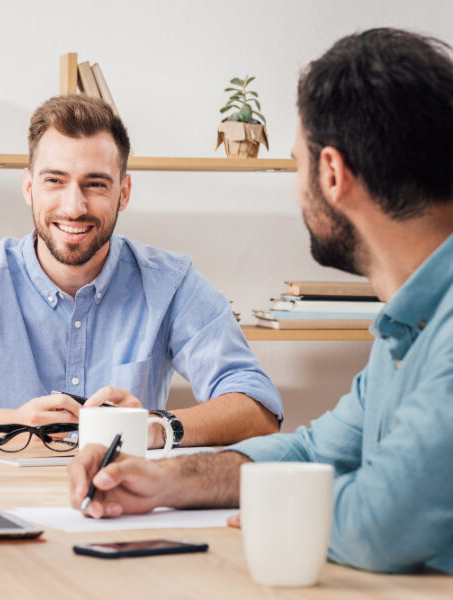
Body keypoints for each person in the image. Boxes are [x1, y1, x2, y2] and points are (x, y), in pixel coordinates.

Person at [68, 28, 453, 575]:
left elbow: (381, 524)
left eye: (296, 163)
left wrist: (278, 506)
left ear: (332, 174)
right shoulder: (406, 325)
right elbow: (310, 454)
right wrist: (163, 479)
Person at [0, 95, 282, 446]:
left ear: (124, 192)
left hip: (126, 507)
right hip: (2, 505)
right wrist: (12, 424)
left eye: (96, 183)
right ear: (28, 187)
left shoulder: (170, 284)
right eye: (55, 181)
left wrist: (157, 428)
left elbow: (259, 407)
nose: (74, 207)